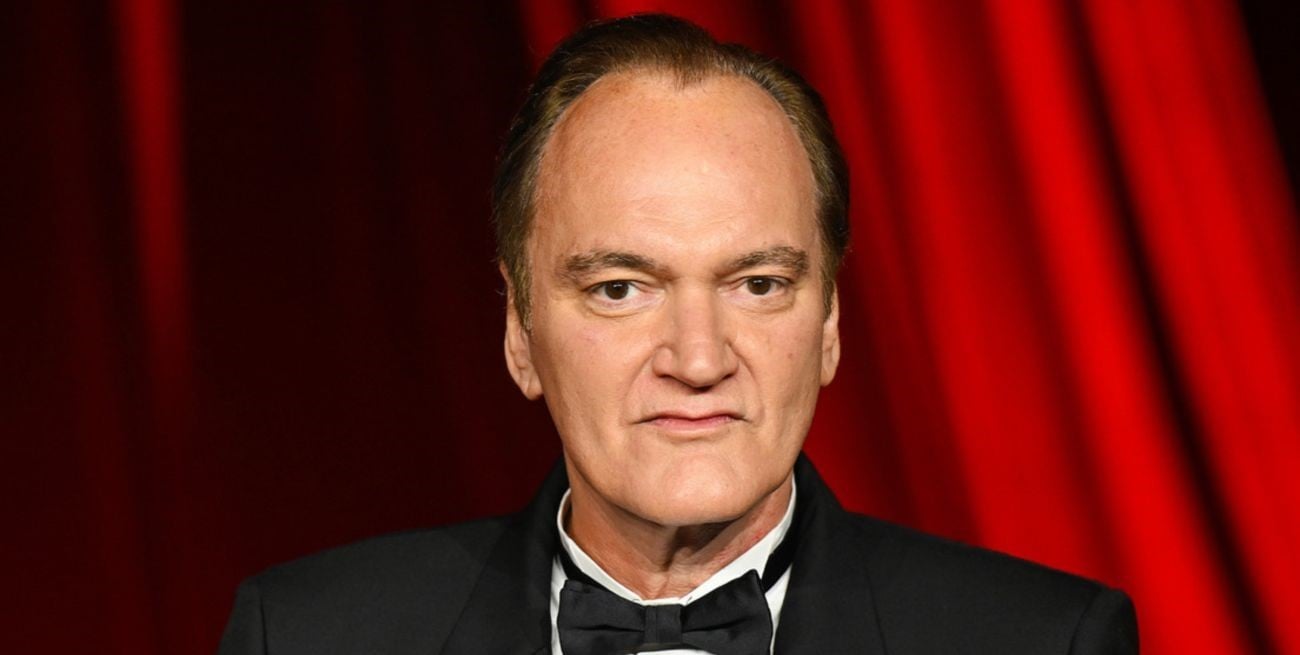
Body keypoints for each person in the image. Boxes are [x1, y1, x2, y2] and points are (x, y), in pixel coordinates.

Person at [218, 14, 1137, 655]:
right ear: (519, 331)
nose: (698, 359)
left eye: (758, 284)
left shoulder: (1042, 642)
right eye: (621, 288)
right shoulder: (303, 638)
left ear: (828, 324)